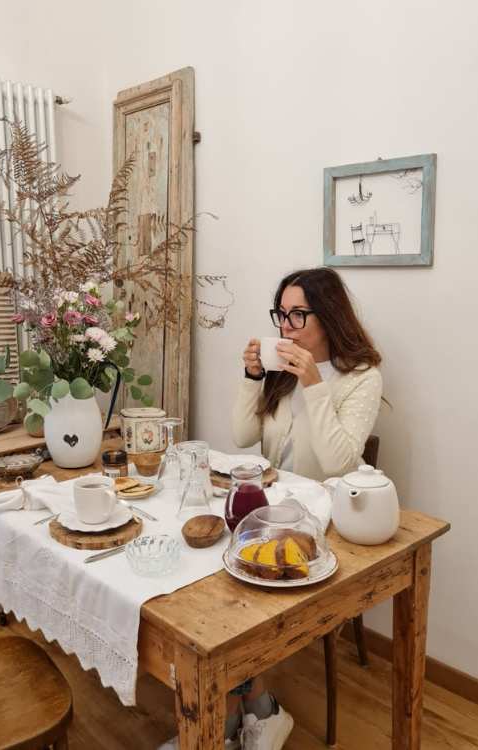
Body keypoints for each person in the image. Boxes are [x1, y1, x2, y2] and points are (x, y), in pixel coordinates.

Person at [160, 267, 383, 750]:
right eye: (280, 314)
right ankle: (255, 708)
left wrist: (314, 382)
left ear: (328, 317)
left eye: (297, 315)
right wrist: (252, 376)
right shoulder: (278, 370)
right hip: (270, 508)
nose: (285, 326)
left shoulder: (361, 378)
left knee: (232, 591)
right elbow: (242, 439)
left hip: (323, 522)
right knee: (204, 571)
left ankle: (226, 720)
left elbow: (340, 464)